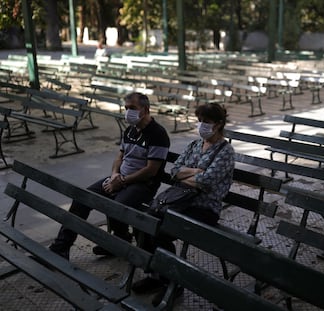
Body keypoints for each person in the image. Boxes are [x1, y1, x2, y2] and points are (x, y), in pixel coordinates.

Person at [132, 102, 235, 306]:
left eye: (206, 122)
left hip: (204, 209)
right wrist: (195, 173)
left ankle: (173, 283)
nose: (202, 125)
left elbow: (206, 182)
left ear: (219, 124)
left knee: (160, 231)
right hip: (180, 201)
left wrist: (187, 175)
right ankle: (156, 276)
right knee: (143, 223)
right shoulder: (195, 145)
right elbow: (174, 171)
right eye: (200, 121)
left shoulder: (226, 151)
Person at [49, 92, 170, 259]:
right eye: (126, 108)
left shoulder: (158, 134)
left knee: (116, 204)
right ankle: (60, 248)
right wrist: (114, 175)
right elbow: (120, 157)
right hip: (119, 178)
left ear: (146, 109)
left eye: (133, 108)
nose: (128, 112)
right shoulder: (130, 130)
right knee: (82, 198)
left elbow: (151, 170)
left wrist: (122, 181)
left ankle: (120, 241)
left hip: (143, 184)